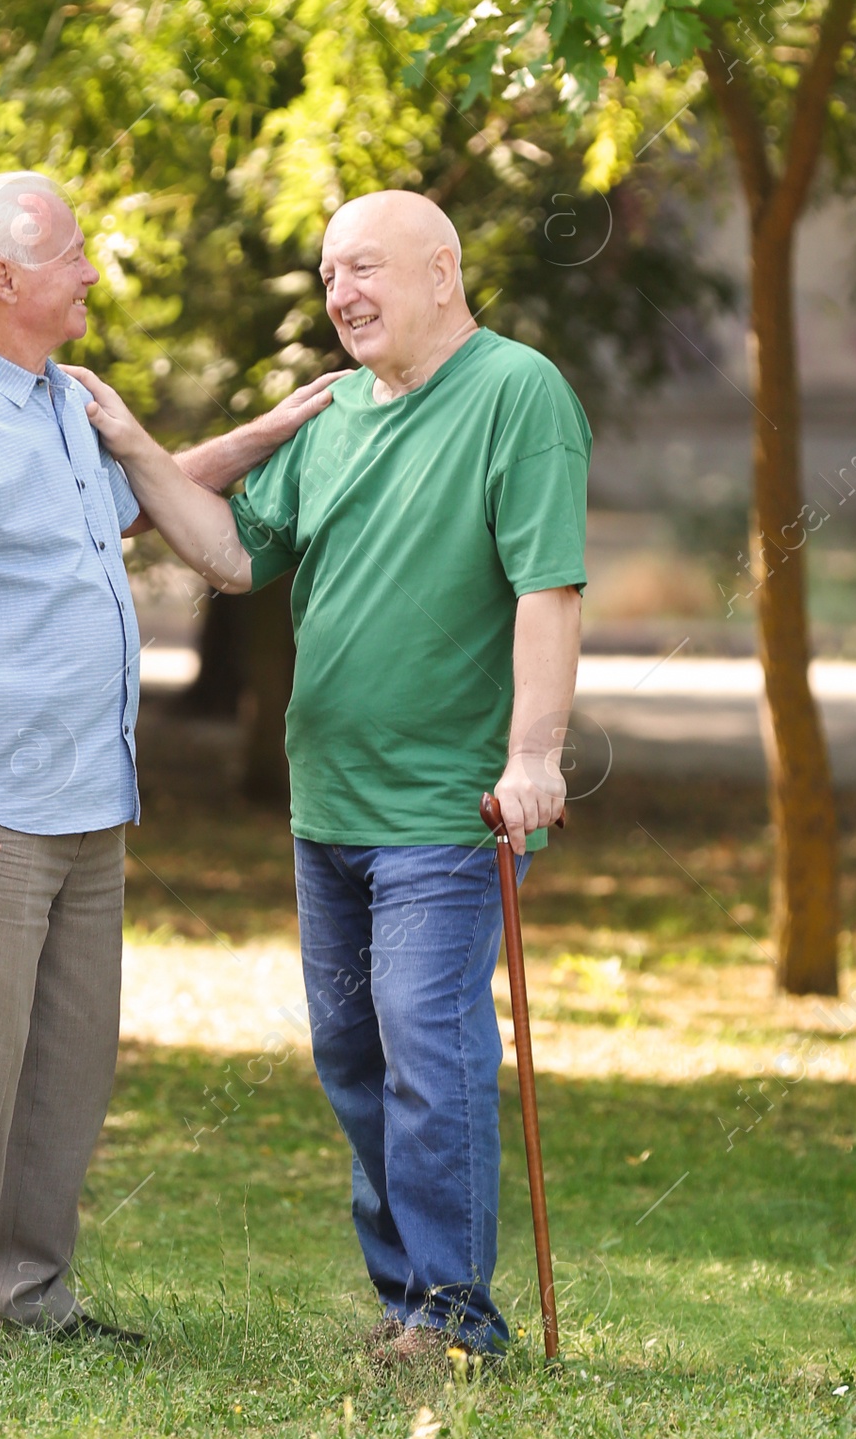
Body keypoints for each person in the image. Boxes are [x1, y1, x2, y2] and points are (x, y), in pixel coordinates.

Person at [69, 187, 588, 1365]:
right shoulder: (337, 415)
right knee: (354, 1056)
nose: (343, 294)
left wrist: (534, 757)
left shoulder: (518, 394)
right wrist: (141, 454)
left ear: (442, 274)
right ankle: (410, 1297)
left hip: (447, 805)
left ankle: (456, 1320)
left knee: (428, 1044)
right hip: (329, 801)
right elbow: (234, 556)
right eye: (327, 276)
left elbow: (547, 587)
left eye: (366, 268)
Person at [0, 170, 331, 1353]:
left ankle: (32, 1293)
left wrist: (269, 432)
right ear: (7, 280)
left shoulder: (59, 404)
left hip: (86, 802)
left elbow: (134, 499)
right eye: (70, 255)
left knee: (65, 1069)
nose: (89, 271)